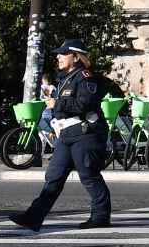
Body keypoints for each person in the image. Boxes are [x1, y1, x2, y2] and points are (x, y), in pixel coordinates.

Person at [9, 40, 112, 231]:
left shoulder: (85, 77)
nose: (58, 57)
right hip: (66, 135)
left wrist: (57, 105)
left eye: (63, 53)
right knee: (54, 176)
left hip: (85, 134)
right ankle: (34, 217)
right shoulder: (65, 78)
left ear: (75, 56)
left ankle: (101, 216)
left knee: (89, 175)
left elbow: (85, 104)